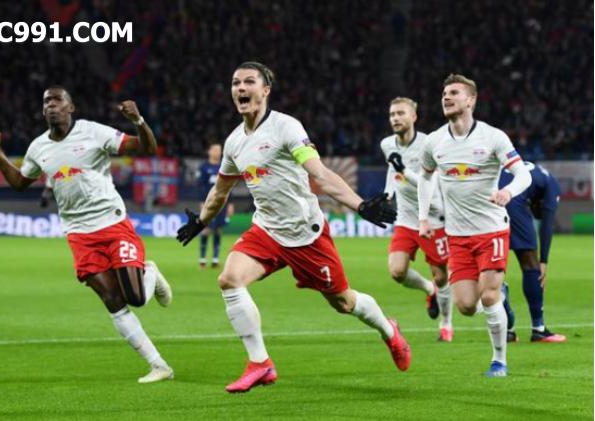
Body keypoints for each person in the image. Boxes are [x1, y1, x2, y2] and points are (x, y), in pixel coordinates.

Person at [176, 61, 409, 393]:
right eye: (235, 83)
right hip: (266, 230)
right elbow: (220, 191)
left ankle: (389, 331)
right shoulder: (234, 142)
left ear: (265, 90)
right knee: (229, 279)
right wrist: (201, 220)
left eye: (249, 82)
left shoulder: (286, 127)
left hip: (305, 234)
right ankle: (260, 363)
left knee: (343, 302)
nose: (240, 88)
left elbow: (320, 175)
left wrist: (359, 205)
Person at [0, 86, 174, 384]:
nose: (51, 105)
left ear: (71, 107)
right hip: (79, 234)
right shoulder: (38, 147)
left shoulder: (93, 132)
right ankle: (159, 365)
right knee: (112, 301)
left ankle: (151, 272)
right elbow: (19, 181)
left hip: (112, 224)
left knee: (136, 298)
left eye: (57, 100)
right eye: (46, 101)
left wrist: (138, 121)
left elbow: (146, 148)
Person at [417, 74, 531, 377]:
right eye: (444, 93)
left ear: (471, 100)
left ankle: (499, 361)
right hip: (456, 235)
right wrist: (423, 217)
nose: (446, 97)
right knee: (467, 306)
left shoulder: (493, 137)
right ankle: (499, 295)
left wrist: (508, 192)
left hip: (491, 231)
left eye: (454, 92)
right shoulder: (434, 141)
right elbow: (425, 177)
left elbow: (523, 174)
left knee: (488, 296)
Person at [380, 97, 453, 341]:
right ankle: (428, 289)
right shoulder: (387, 144)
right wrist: (388, 194)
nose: (395, 118)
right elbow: (392, 169)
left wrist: (403, 170)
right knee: (397, 271)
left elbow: (428, 182)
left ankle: (446, 324)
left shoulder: (428, 145)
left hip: (432, 217)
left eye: (401, 113)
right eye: (392, 114)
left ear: (414, 117)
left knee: (441, 276)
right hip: (406, 218)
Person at [498, 161, 566, 343]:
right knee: (531, 264)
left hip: (490, 198)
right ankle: (539, 329)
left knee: (494, 266)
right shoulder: (552, 184)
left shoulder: (535, 173)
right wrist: (543, 261)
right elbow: (547, 224)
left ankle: (507, 330)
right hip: (512, 200)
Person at [196, 143, 235, 268]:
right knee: (206, 229)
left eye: (219, 150)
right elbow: (200, 187)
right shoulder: (203, 168)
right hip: (208, 204)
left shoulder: (224, 167)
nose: (217, 152)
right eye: (215, 150)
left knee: (218, 230)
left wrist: (230, 204)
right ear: (209, 152)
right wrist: (202, 203)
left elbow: (229, 186)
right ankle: (202, 259)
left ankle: (215, 260)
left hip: (221, 203)